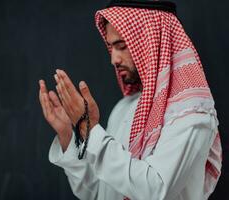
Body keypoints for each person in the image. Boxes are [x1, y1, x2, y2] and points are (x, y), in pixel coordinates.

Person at [38, 0, 222, 199]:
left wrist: (88, 128)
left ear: (152, 43)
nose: (113, 59)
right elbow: (96, 193)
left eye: (122, 46)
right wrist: (69, 134)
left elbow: (155, 191)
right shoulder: (124, 108)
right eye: (111, 47)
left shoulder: (192, 116)